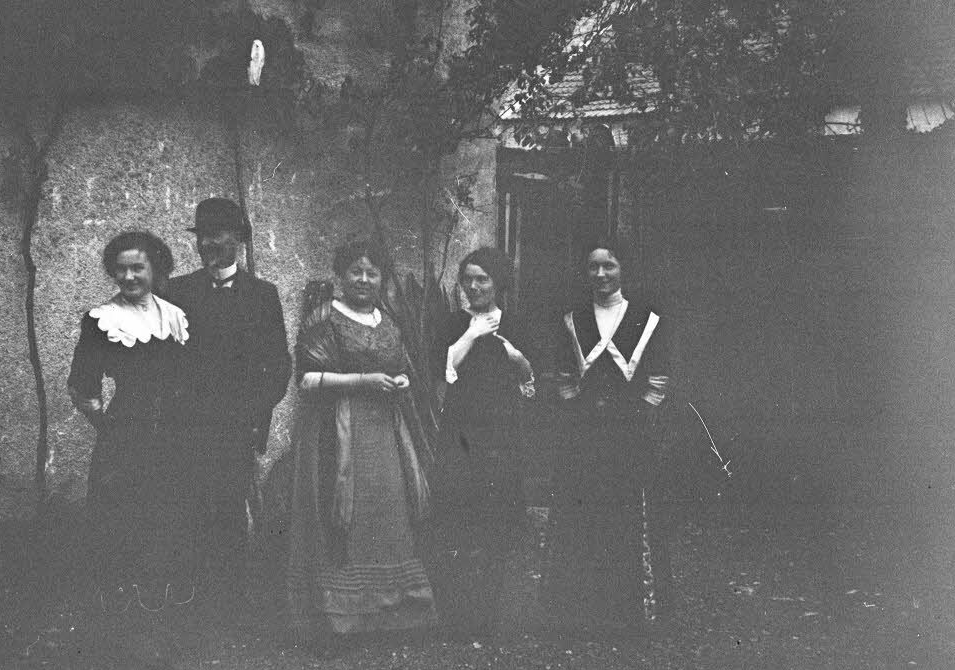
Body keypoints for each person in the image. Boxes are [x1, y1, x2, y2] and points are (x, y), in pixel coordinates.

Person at [285, 237, 438, 642]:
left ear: (382, 278)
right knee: (343, 515)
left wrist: (401, 381)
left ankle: (390, 616)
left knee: (386, 514)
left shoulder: (389, 321)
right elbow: (307, 379)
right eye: (356, 272)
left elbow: (402, 367)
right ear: (341, 275)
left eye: (373, 273)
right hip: (337, 432)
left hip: (385, 433)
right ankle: (339, 616)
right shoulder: (324, 318)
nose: (364, 280)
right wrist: (363, 381)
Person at [167, 198, 291, 626]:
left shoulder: (262, 295)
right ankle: (190, 607)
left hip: (235, 427)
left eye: (217, 235)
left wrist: (254, 415)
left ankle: (232, 606)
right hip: (186, 426)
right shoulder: (176, 292)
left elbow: (278, 365)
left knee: (229, 511)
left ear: (237, 239)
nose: (208, 244)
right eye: (202, 236)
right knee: (187, 510)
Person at [66, 231, 191, 657]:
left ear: (156, 268)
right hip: (126, 440)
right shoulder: (102, 320)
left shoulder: (175, 317)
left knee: (166, 525)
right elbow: (83, 385)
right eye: (120, 269)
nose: (129, 276)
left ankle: (161, 633)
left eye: (138, 267)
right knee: (124, 525)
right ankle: (121, 637)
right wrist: (110, 426)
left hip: (171, 438)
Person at [544, 236, 672, 633]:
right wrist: (578, 418)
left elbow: (659, 377)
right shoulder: (573, 319)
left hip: (629, 436)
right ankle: (578, 612)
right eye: (593, 267)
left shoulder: (647, 319)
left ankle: (626, 612)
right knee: (582, 514)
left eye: (609, 266)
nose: (600, 274)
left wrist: (637, 421)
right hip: (584, 437)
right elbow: (564, 377)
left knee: (626, 515)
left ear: (623, 270)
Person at [431, 248, 536, 637]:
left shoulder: (516, 324)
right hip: (460, 437)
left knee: (496, 526)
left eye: (482, 279)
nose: (473, 286)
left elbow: (529, 383)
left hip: (501, 438)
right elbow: (443, 371)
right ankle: (457, 618)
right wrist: (471, 334)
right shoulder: (452, 323)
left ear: (498, 283)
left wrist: (516, 357)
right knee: (459, 523)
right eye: (468, 279)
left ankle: (490, 617)